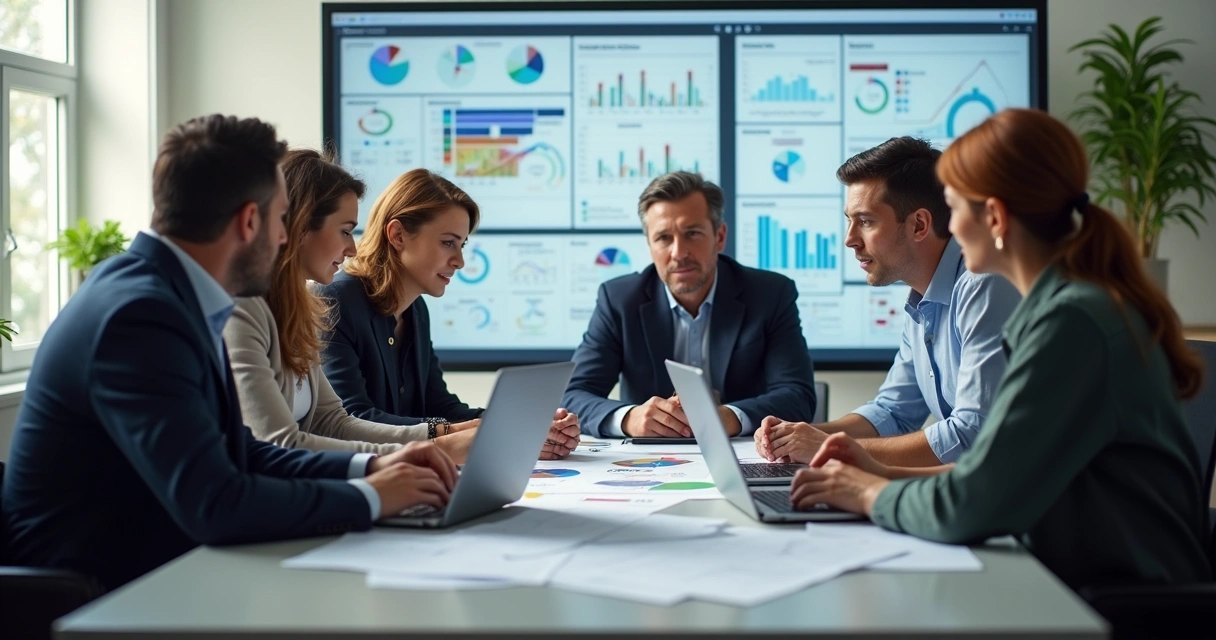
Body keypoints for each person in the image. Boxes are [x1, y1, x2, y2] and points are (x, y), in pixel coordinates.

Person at [1, 115, 458, 590]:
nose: (286, 237)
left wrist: (372, 466)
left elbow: (241, 453)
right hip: (93, 594)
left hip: (151, 568)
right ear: (249, 221)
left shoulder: (167, 294)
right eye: (282, 219)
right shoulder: (140, 316)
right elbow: (214, 503)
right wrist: (371, 498)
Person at [788, 108, 1211, 589]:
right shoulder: (1062, 307)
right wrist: (878, 473)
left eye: (954, 208)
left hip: (1124, 600)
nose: (949, 228)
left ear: (994, 217)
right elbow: (991, 479)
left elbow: (976, 501)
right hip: (1082, 572)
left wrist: (869, 493)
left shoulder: (1070, 321)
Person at [755, 137, 1021, 466]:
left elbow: (972, 435)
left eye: (865, 221)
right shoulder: (922, 299)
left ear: (919, 225)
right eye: (849, 220)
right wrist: (797, 435)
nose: (850, 239)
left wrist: (826, 448)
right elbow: (892, 413)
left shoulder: (984, 285)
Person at [224, 149, 501, 462]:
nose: (352, 248)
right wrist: (435, 447)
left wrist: (452, 434)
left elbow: (332, 422)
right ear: (299, 226)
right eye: (344, 230)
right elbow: (279, 444)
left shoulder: (296, 309)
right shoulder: (243, 311)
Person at [317, 169, 580, 458]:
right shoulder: (335, 301)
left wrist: (527, 424)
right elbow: (353, 419)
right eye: (448, 243)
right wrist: (492, 431)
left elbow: (439, 407)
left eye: (462, 244)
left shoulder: (415, 310)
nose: (460, 261)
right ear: (397, 235)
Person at [563, 171, 816, 439]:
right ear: (649, 244)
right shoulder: (619, 300)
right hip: (647, 465)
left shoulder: (770, 294)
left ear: (719, 237)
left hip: (742, 456)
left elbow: (797, 396)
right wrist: (629, 418)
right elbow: (572, 394)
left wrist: (730, 417)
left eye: (692, 233)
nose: (678, 253)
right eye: (663, 238)